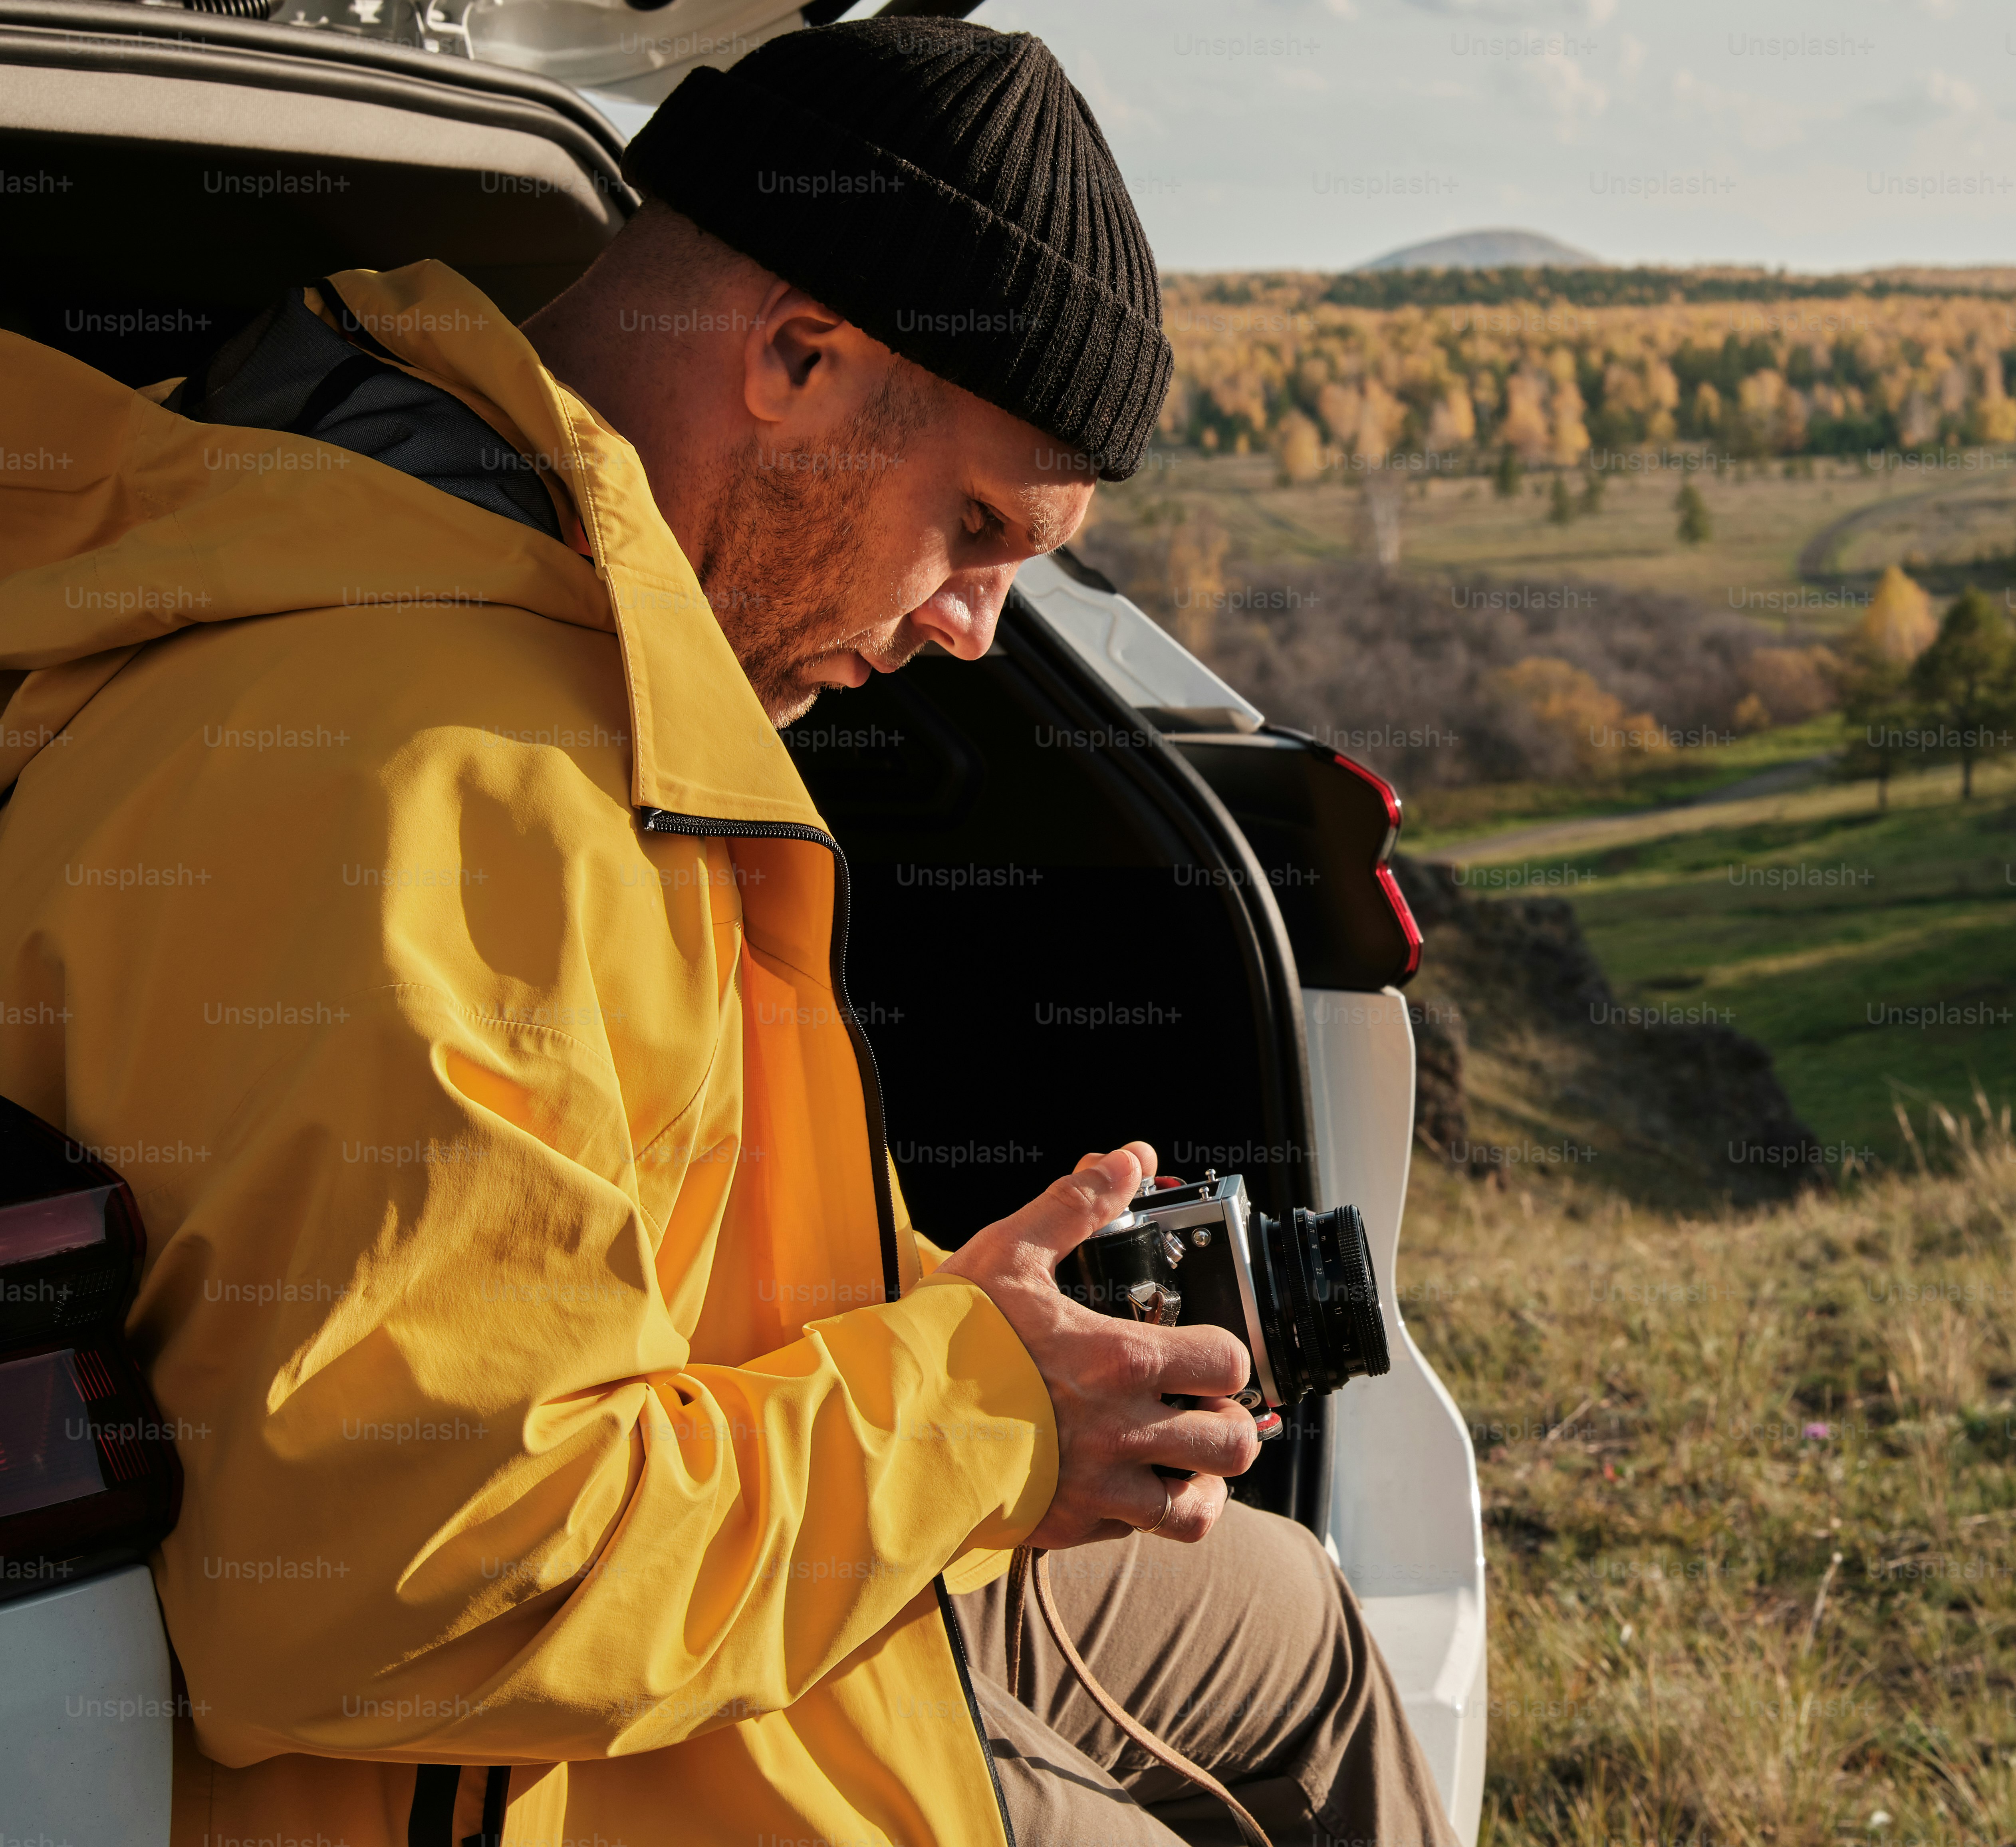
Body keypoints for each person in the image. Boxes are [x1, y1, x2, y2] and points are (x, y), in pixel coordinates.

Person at [0, 18, 1456, 1847]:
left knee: (1297, 1622)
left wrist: (963, 1322)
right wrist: (977, 1416)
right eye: (976, 525)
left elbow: (598, 1274)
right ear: (792, 354)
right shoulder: (430, 785)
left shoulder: (558, 648)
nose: (981, 629)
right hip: (525, 1757)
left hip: (710, 1553)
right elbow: (417, 1588)